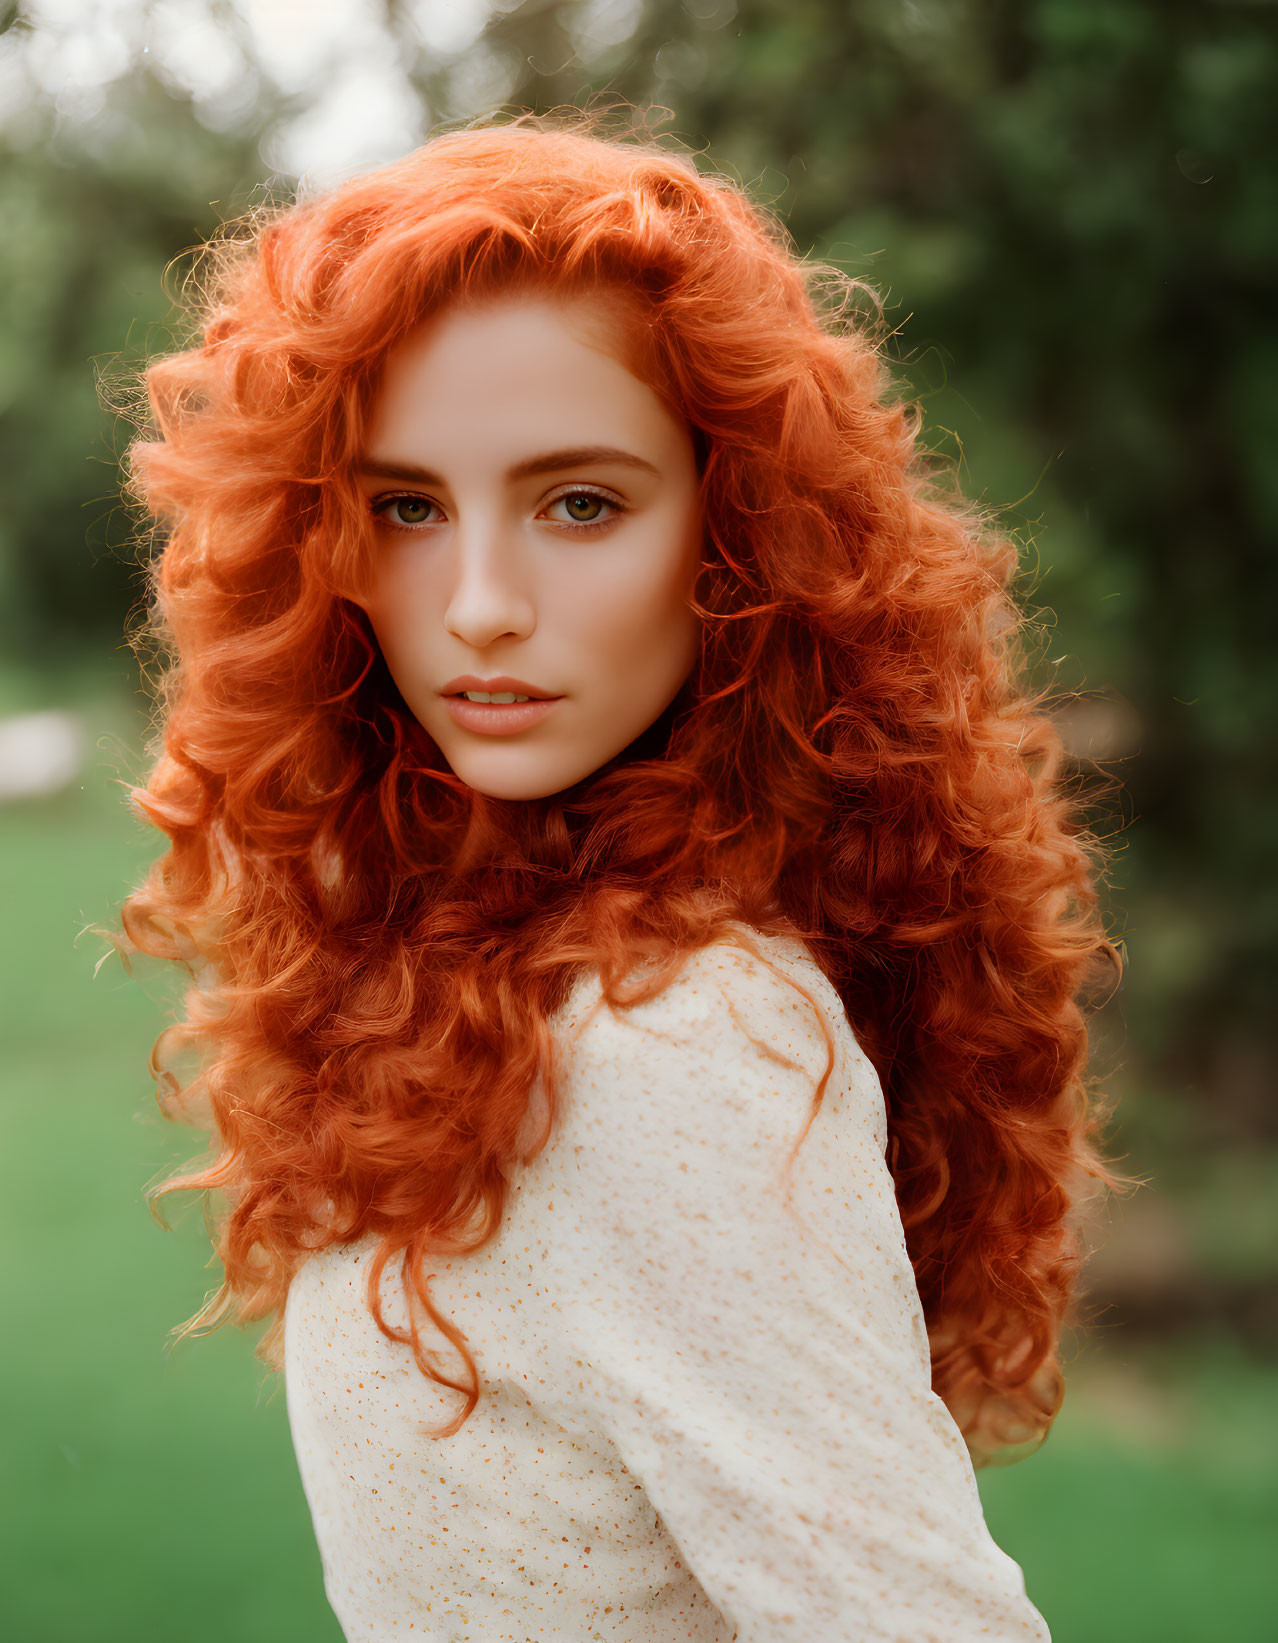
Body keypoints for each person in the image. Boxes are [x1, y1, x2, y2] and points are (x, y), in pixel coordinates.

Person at [112, 107, 1130, 1642]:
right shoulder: (485, 952)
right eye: (404, 507)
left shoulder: (666, 1038)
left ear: (735, 543)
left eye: (577, 502)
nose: (479, 606)